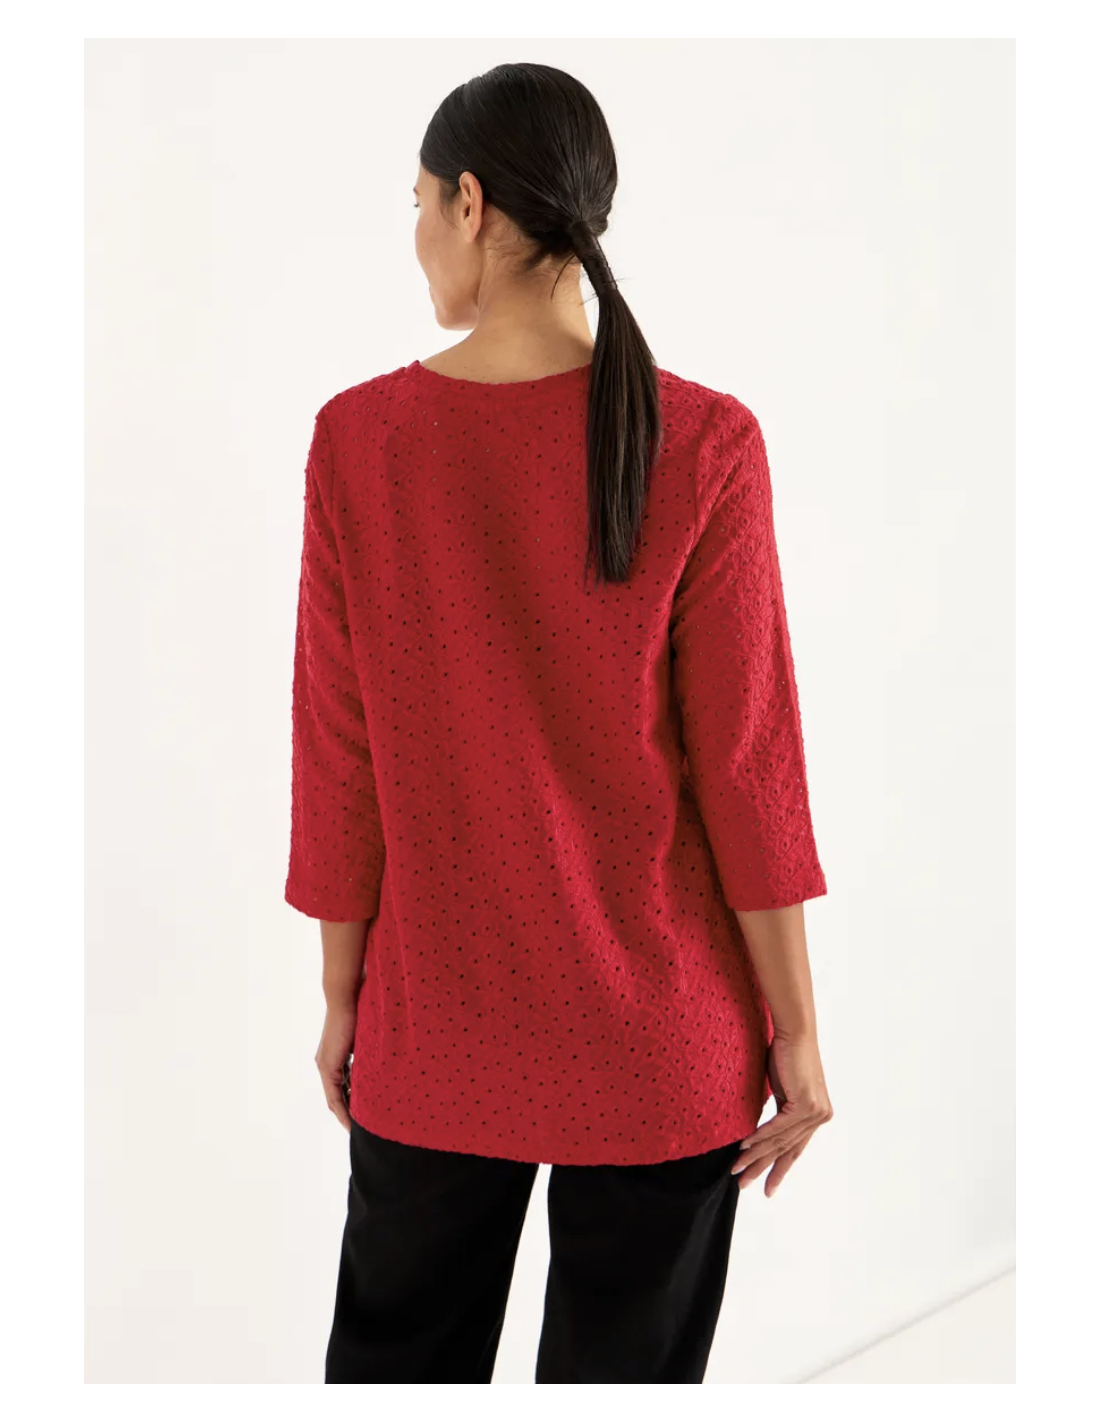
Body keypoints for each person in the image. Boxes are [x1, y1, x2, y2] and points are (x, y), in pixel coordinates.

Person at [284, 61, 834, 1385]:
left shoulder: (361, 442)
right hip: (663, 1048)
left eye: (419, 203)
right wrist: (797, 1032)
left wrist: (344, 998)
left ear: (471, 204)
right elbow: (748, 765)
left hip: (438, 1032)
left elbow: (338, 762)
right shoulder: (706, 440)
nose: (418, 234)